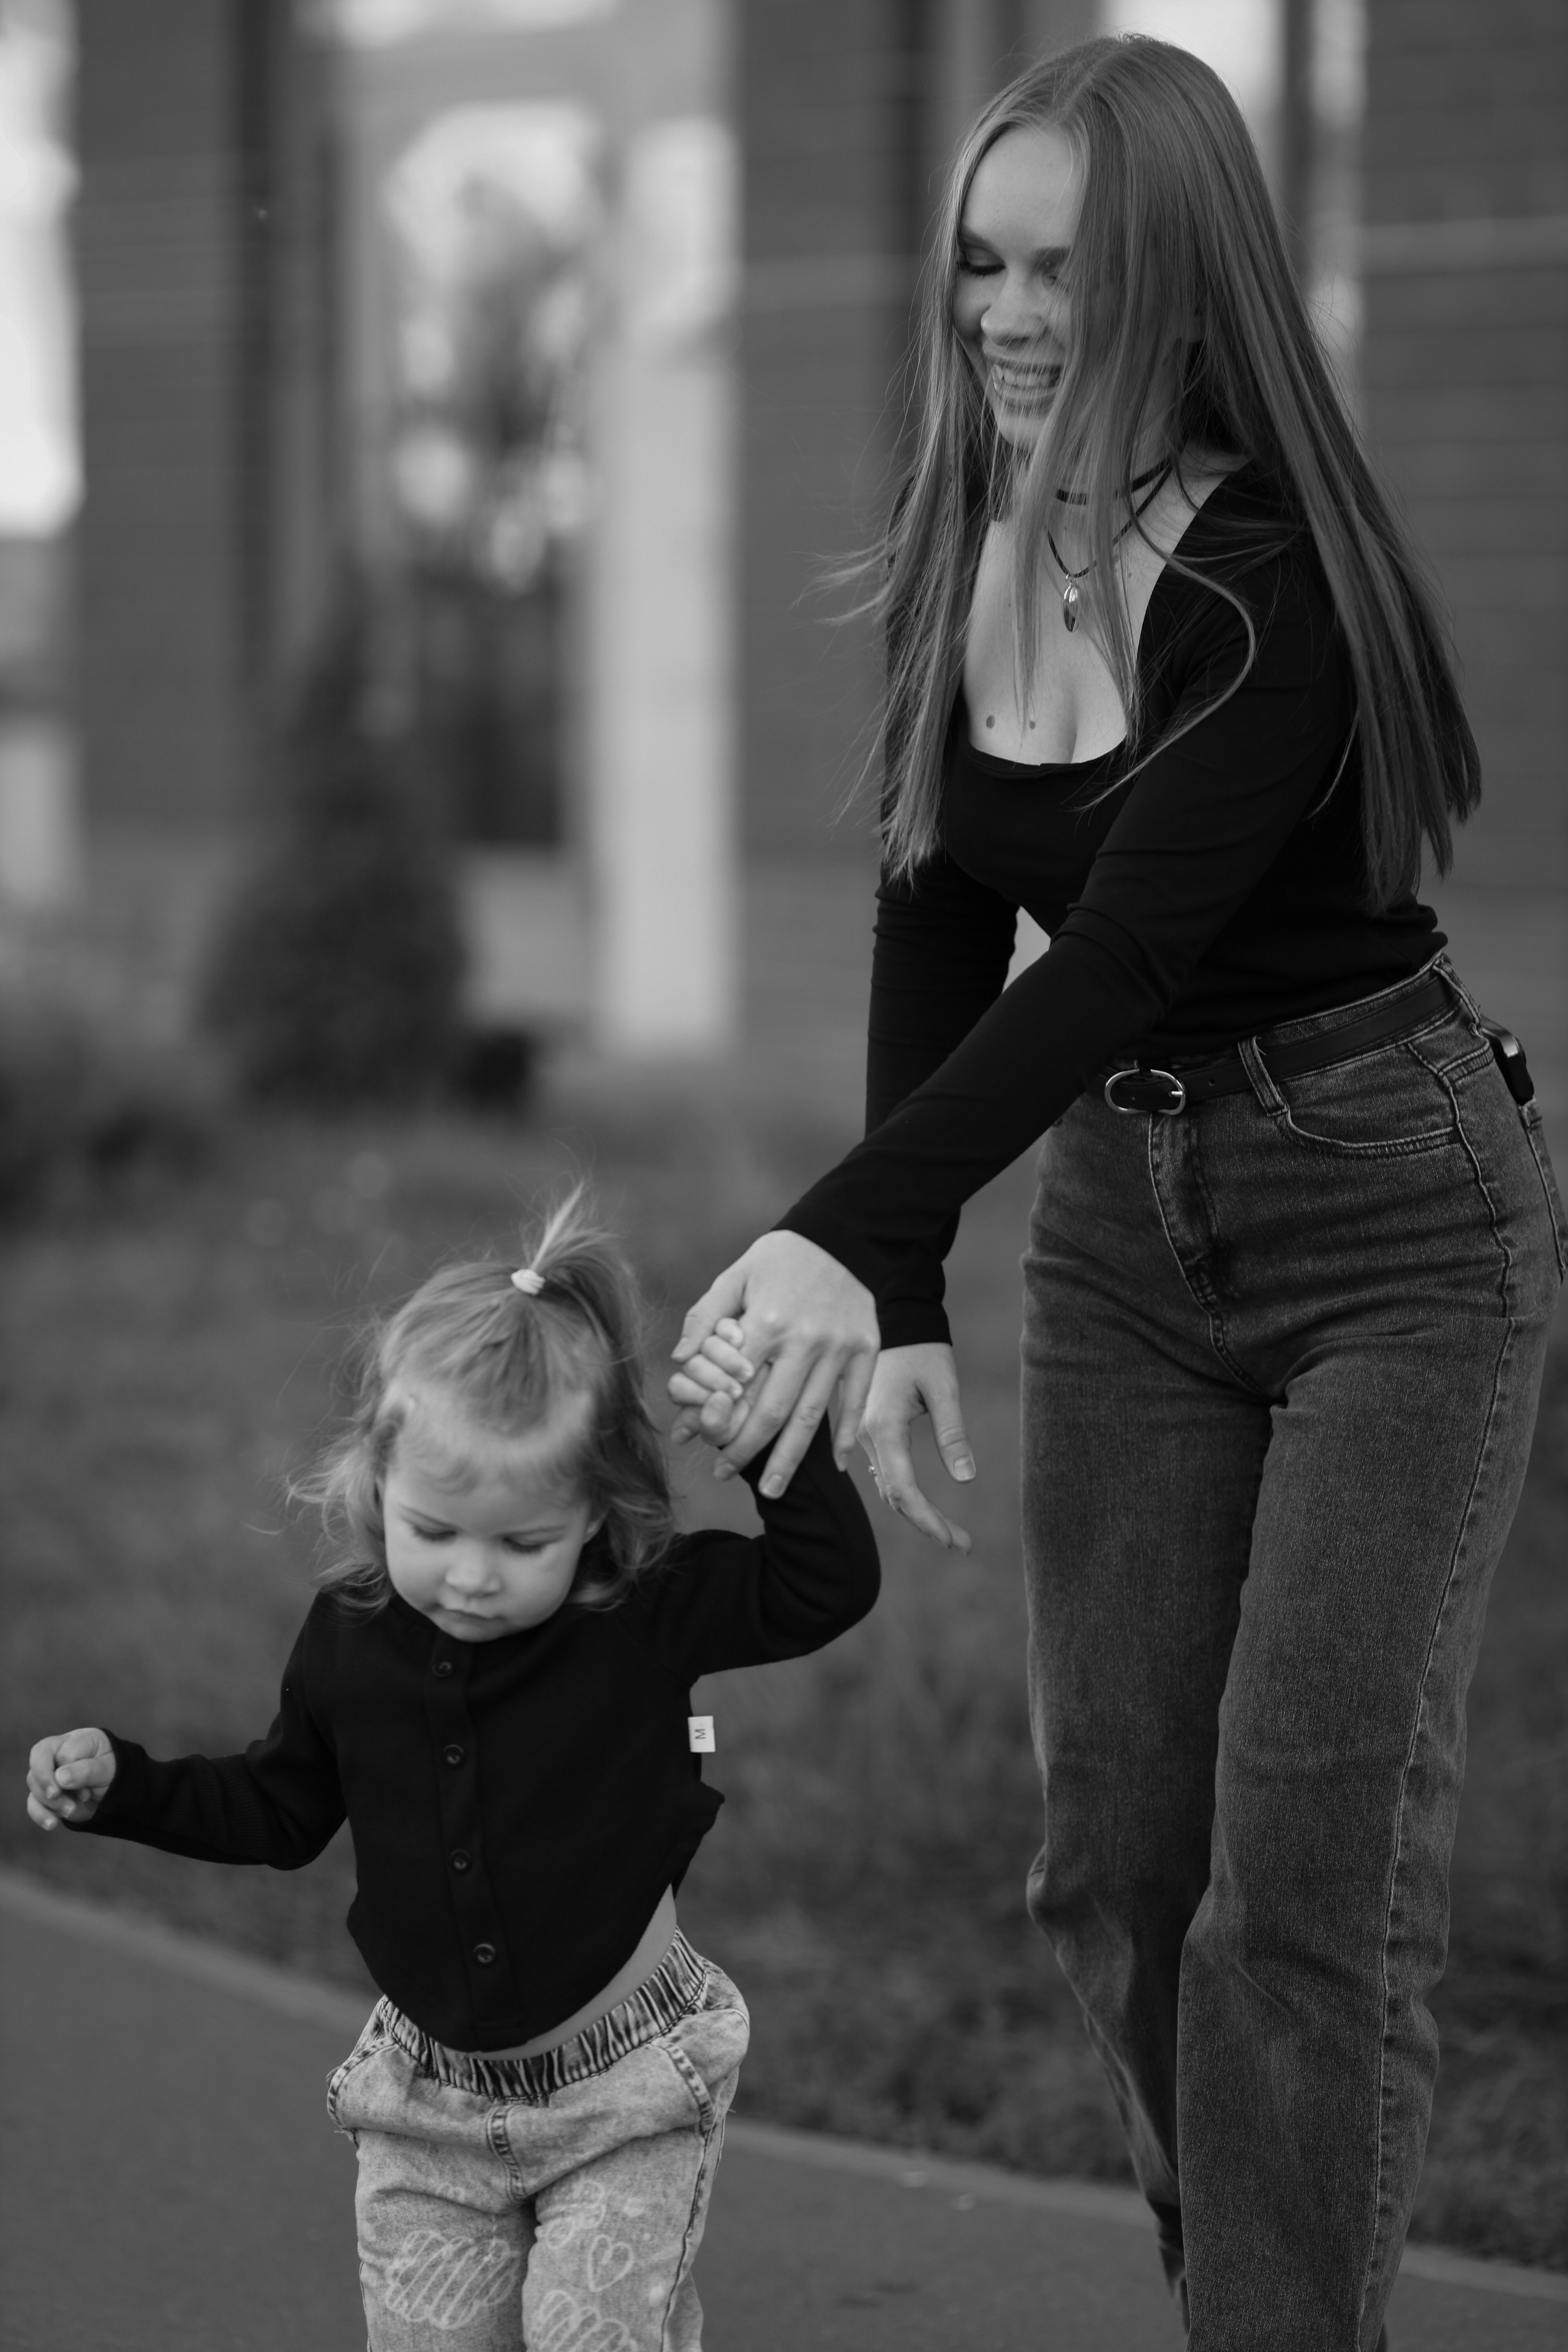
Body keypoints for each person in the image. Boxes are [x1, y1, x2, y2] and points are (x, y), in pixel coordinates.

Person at [668, 34, 1565, 2352]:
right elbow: (936, 903)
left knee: (1296, 1895)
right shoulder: (977, 533)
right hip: (1122, 1229)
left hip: (1394, 1221)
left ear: (1183, 280)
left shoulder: (1260, 581)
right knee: (1118, 1869)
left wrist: (828, 1218)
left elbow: (1137, 950)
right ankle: (1264, 2280)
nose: (1008, 309)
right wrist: (903, 1274)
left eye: (1066, 265)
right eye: (983, 257)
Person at [26, 1193, 879, 2352]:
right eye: (435, 1530)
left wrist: (769, 1460)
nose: (472, 1576)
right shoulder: (349, 1637)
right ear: (377, 1486)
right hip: (425, 2107)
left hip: (627, 2090)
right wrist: (124, 1786)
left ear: (593, 1512)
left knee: (592, 2341)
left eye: (521, 1543)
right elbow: (279, 1809)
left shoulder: (642, 1611)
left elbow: (820, 1591)